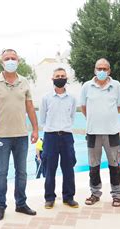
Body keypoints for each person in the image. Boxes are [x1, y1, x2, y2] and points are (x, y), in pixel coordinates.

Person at [0, 48, 39, 220]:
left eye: (13, 58)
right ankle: (0, 206)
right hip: (1, 137)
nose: (10, 61)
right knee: (1, 172)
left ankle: (21, 203)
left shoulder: (24, 82)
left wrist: (35, 129)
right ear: (1, 62)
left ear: (18, 60)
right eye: (7, 58)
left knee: (21, 172)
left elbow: (29, 106)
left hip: (21, 135)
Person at [80, 58, 120, 207]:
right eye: (98, 68)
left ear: (109, 71)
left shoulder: (116, 85)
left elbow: (119, 107)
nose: (101, 71)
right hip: (93, 132)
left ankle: (117, 195)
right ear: (94, 70)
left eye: (104, 69)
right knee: (94, 165)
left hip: (112, 132)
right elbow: (83, 107)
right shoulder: (87, 86)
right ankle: (95, 193)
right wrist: (94, 120)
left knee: (115, 164)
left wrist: (108, 119)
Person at [39, 67, 78, 209]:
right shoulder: (46, 98)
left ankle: (69, 197)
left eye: (62, 75)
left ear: (66, 78)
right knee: (50, 168)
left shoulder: (72, 98)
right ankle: (49, 198)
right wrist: (52, 128)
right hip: (50, 137)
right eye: (57, 76)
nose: (60, 78)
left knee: (68, 168)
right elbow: (42, 119)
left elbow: (72, 116)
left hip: (67, 136)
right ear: (52, 79)